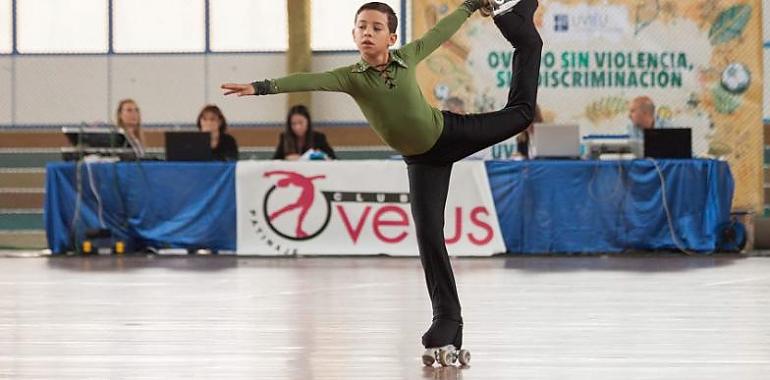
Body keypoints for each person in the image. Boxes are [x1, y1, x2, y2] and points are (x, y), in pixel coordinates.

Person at [222, 0, 541, 364]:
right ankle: (447, 320)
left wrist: (470, 5)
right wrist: (261, 87)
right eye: (362, 27)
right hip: (422, 162)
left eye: (376, 28)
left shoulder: (408, 55)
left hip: (451, 134)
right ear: (354, 34)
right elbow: (307, 80)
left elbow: (441, 31)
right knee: (429, 237)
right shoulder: (351, 77)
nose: (367, 33)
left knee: (520, 115)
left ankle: (524, 34)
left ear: (390, 36)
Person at [272, 105, 336, 160]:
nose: (297, 127)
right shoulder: (284, 137)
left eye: (301, 123)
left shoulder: (319, 137)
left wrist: (323, 156)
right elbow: (275, 161)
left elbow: (334, 159)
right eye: (293, 124)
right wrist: (286, 159)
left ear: (308, 122)